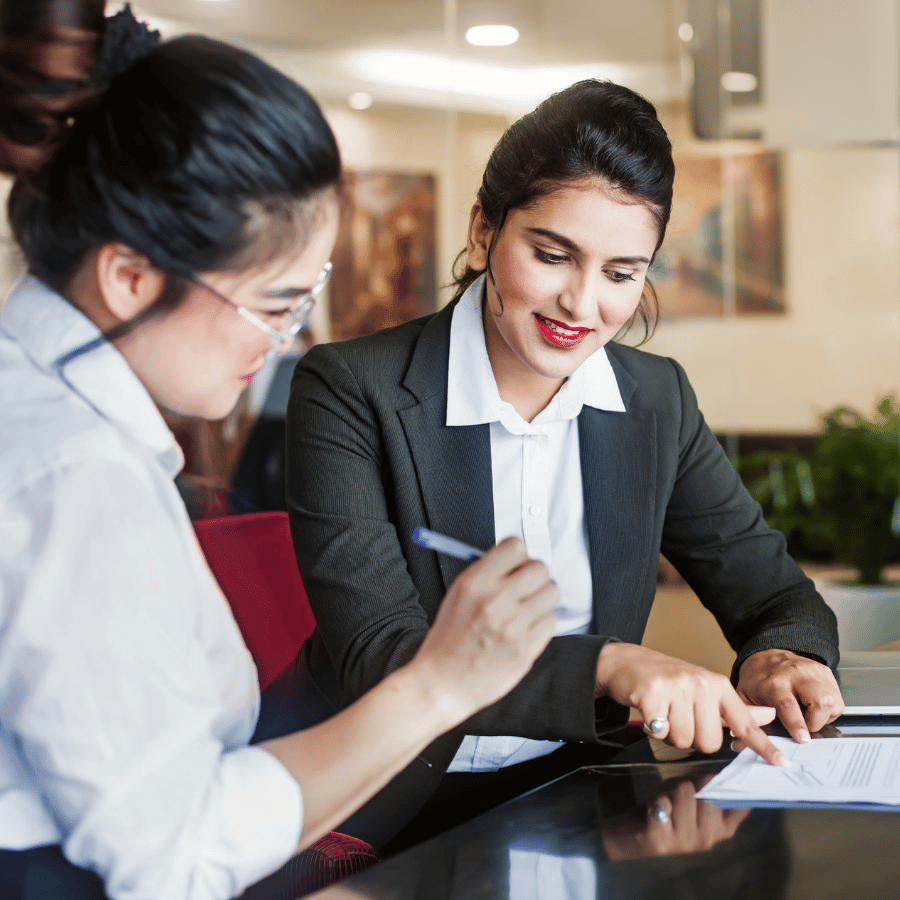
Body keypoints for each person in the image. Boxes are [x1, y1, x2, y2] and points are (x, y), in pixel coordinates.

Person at [0, 4, 559, 899]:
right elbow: (171, 854)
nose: (282, 341)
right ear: (130, 276)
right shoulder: (75, 478)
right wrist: (440, 685)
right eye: (271, 303)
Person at [284, 78, 845, 850]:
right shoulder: (351, 389)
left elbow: (775, 595)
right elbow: (382, 656)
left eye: (621, 273)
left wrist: (785, 658)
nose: (582, 304)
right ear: (483, 232)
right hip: (387, 803)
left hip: (585, 795)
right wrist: (611, 666)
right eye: (552, 255)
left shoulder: (656, 401)